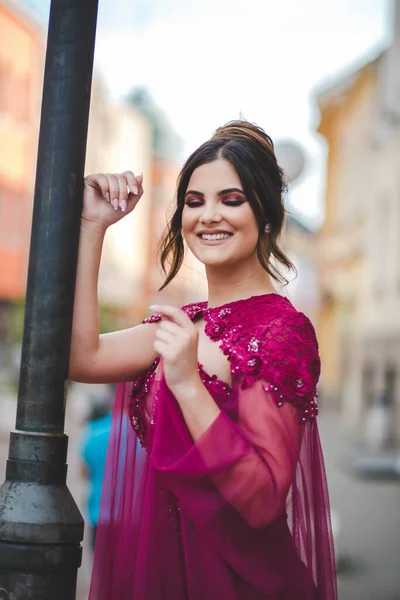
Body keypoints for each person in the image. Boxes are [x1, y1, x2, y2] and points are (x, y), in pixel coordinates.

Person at [69, 120, 338, 599]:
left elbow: (261, 501)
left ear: (267, 213)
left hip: (242, 585)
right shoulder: (183, 325)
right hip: (165, 578)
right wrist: (92, 229)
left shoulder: (280, 332)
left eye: (230, 200)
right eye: (194, 202)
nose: (208, 215)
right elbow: (82, 359)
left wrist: (188, 385)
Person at [79, 386, 114, 552]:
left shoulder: (91, 433)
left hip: (98, 511)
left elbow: (84, 472)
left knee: (100, 567)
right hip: (132, 513)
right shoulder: (132, 428)